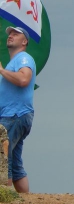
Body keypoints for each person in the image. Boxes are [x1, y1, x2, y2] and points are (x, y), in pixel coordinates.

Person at [0, 26, 36, 193]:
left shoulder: (23, 58)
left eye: (15, 34)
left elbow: (23, 79)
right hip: (16, 115)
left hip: (15, 115)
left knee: (3, 157)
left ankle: (4, 198)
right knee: (14, 162)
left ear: (24, 41)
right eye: (10, 34)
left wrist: (0, 70)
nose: (10, 36)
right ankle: (25, 203)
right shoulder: (13, 63)